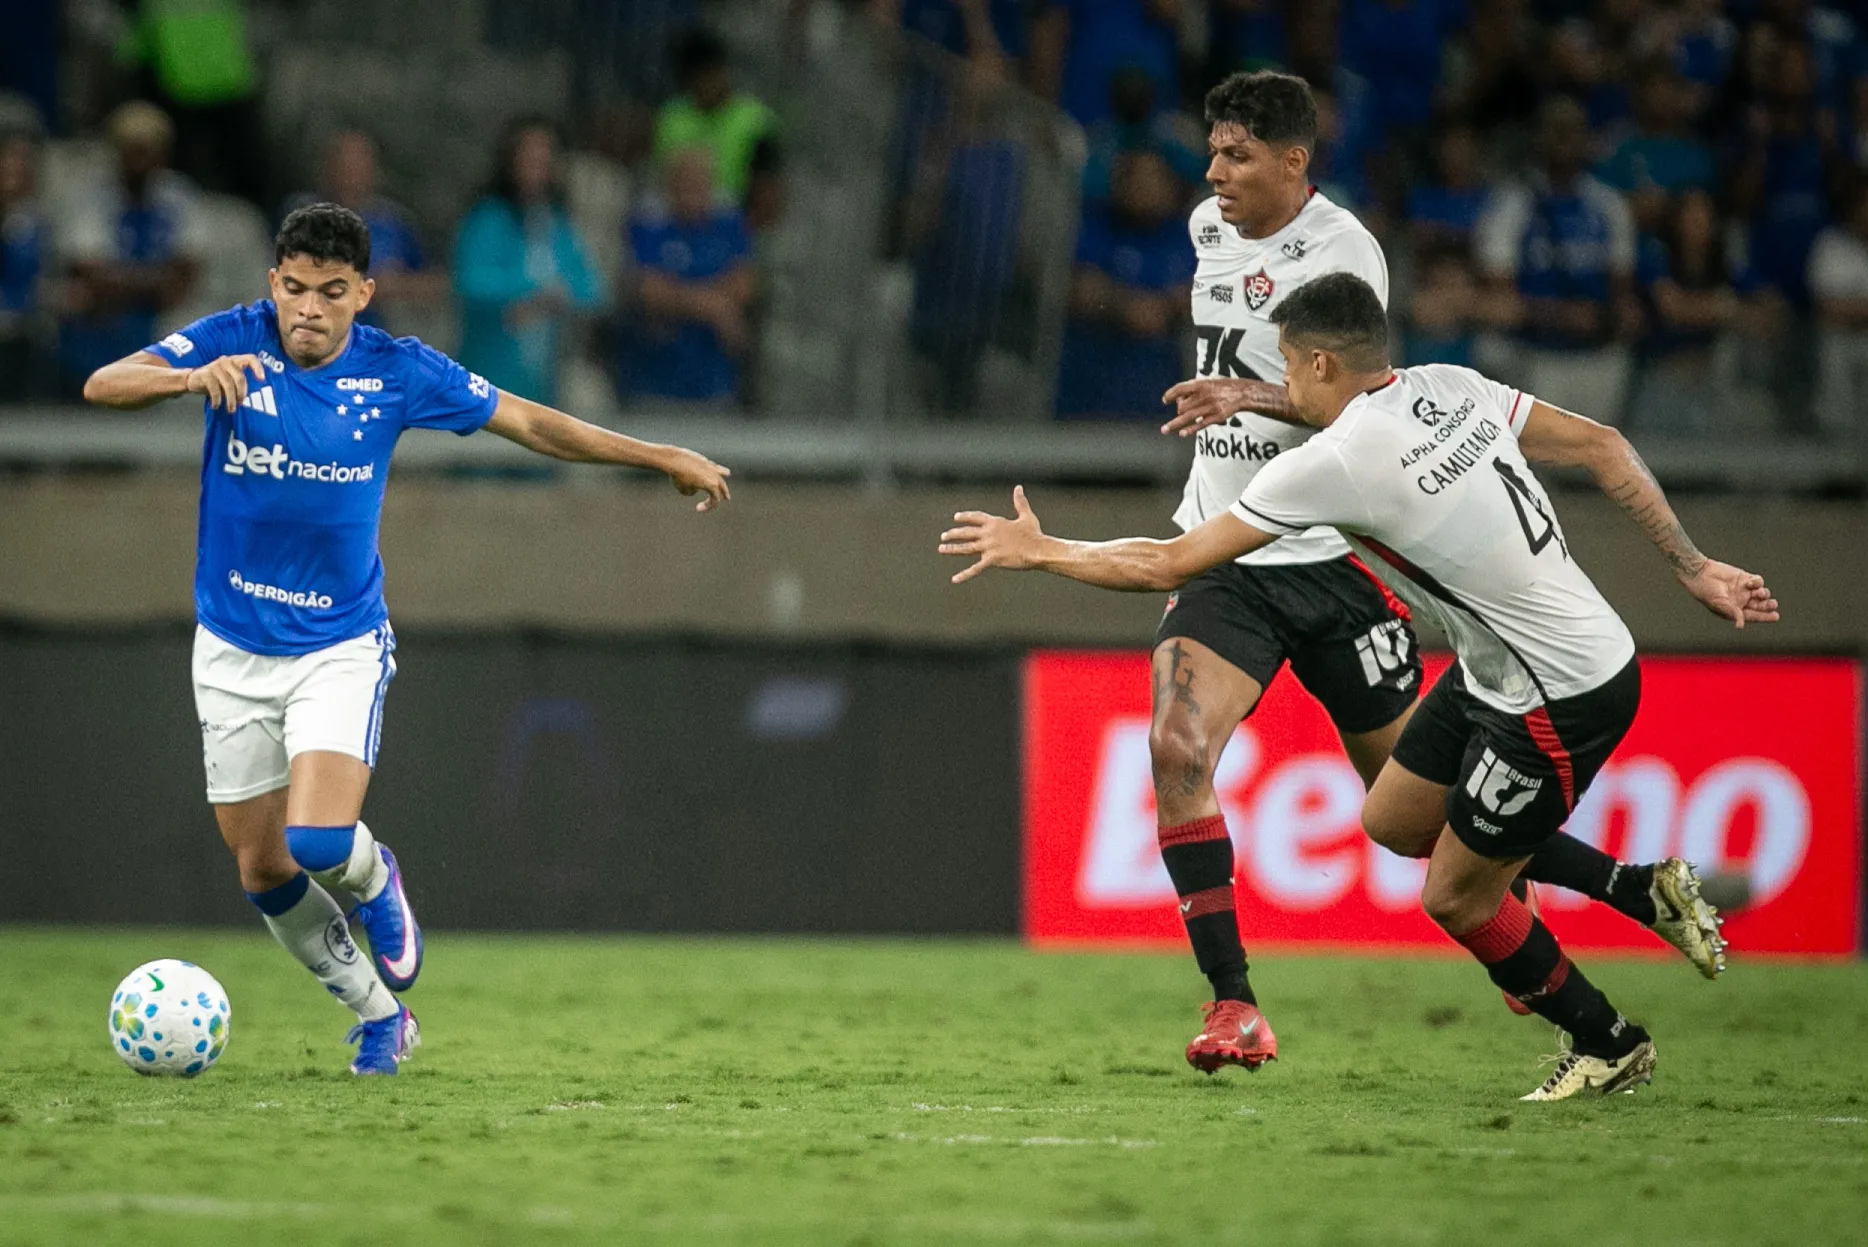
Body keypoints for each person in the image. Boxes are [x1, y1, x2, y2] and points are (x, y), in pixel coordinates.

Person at [940, 270, 1777, 1100]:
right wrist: (1693, 567)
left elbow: (1166, 561)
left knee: (1454, 895)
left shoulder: (1333, 463)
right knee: (1393, 815)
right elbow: (1602, 444)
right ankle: (1640, 888)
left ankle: (1608, 1040)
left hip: (1559, 692)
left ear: (1320, 365)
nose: (1285, 385)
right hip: (1512, 666)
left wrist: (1043, 550)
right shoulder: (1454, 386)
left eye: (1290, 367)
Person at [1131, 72, 1722, 1075]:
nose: (1214, 172)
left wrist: (1247, 392)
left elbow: (1350, 397)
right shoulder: (1202, 229)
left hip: (1330, 559)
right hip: (1230, 549)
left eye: (1234, 154)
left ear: (1292, 161)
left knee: (1415, 822)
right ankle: (1231, 1000)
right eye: (1210, 150)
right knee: (1176, 746)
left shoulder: (1343, 250)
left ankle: (1625, 888)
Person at [79, 203, 731, 1075]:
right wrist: (186, 379)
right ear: (274, 282)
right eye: (296, 289)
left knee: (317, 841)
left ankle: (377, 876)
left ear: (364, 295)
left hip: (336, 646)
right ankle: (383, 1016)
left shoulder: (398, 369)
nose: (308, 308)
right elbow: (103, 382)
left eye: (331, 292)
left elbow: (532, 423)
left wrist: (659, 456)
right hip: (230, 647)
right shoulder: (229, 340)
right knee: (262, 867)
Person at [1476, 96, 1640, 424]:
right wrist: (1563, 316)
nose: (1565, 139)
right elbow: (1500, 299)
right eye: (1556, 130)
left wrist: (1612, 317)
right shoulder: (1512, 204)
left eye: (1574, 130)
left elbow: (1622, 291)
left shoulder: (1608, 205)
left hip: (1598, 356)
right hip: (1536, 358)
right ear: (1539, 136)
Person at [56, 101, 209, 393]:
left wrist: (124, 281)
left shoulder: (181, 198)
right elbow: (90, 277)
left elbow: (183, 279)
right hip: (104, 315)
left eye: (148, 150)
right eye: (131, 149)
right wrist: (153, 282)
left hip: (164, 313)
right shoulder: (90, 198)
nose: (139, 160)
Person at [454, 119, 604, 407]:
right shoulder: (487, 219)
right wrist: (530, 291)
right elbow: (469, 281)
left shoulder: (557, 226)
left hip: (544, 385)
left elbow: (592, 288)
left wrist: (555, 299)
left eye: (545, 158)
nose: (537, 166)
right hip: (490, 378)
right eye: (529, 157)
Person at [1056, 149, 1193, 419]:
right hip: (1085, 392)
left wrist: (1167, 307)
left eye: (1151, 177)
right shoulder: (1093, 226)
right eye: (1132, 175)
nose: (1140, 185)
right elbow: (1080, 290)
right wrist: (1124, 306)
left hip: (1159, 397)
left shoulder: (1188, 236)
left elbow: (1203, 295)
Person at [623, 146, 755, 406]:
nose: (693, 190)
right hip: (653, 385)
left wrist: (680, 297)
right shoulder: (650, 228)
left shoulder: (728, 229)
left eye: (701, 182)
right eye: (686, 181)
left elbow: (745, 285)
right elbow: (649, 291)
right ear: (670, 185)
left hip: (714, 386)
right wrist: (715, 307)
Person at [283, 131, 443, 330]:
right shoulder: (301, 216)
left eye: (359, 165)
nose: (351, 174)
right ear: (326, 168)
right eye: (343, 165)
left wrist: (397, 285)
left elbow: (434, 283)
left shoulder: (393, 222)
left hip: (378, 336)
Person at [654, 28, 783, 232]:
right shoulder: (672, 117)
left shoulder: (754, 121)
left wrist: (733, 239)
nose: (705, 84)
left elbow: (768, 193)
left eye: (710, 74)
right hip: (677, 222)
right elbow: (660, 181)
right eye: (695, 78)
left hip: (735, 222)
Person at [0, 125, 53, 402]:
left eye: (25, 163)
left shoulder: (34, 223)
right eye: (10, 162)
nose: (18, 171)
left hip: (23, 335)